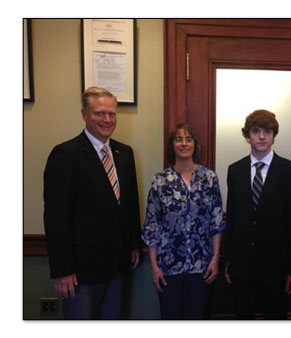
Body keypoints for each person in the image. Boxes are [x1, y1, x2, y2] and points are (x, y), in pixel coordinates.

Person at [43, 86, 141, 319]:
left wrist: (134, 244)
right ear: (84, 114)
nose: (107, 119)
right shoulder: (66, 155)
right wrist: (62, 270)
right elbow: (56, 218)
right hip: (80, 272)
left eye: (111, 113)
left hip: (118, 265)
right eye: (99, 113)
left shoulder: (124, 153)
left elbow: (129, 204)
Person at [224, 109, 291, 319]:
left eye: (267, 131)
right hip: (242, 266)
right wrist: (228, 260)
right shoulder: (235, 170)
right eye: (256, 131)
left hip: (276, 268)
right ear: (247, 135)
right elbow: (232, 218)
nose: (261, 137)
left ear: (274, 135)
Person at [141, 123, 226, 319]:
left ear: (195, 145)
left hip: (202, 266)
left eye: (189, 139)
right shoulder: (160, 181)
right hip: (168, 267)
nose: (184, 143)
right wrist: (154, 267)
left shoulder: (209, 178)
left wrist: (215, 258)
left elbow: (216, 222)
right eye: (178, 139)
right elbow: (152, 225)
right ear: (172, 145)